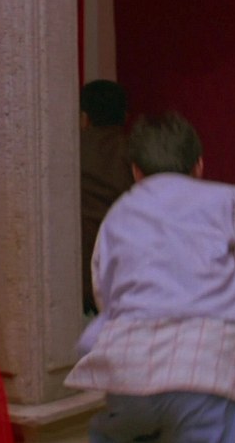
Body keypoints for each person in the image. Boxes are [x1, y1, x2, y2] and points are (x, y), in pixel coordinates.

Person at [65, 112, 235, 442]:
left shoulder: (118, 215)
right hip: (207, 374)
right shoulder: (230, 203)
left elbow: (105, 293)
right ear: (199, 165)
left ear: (136, 171)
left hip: (128, 377)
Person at [79, 79, 135, 315]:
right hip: (128, 282)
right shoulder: (136, 154)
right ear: (125, 116)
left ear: (84, 118)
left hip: (77, 283)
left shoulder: (70, 151)